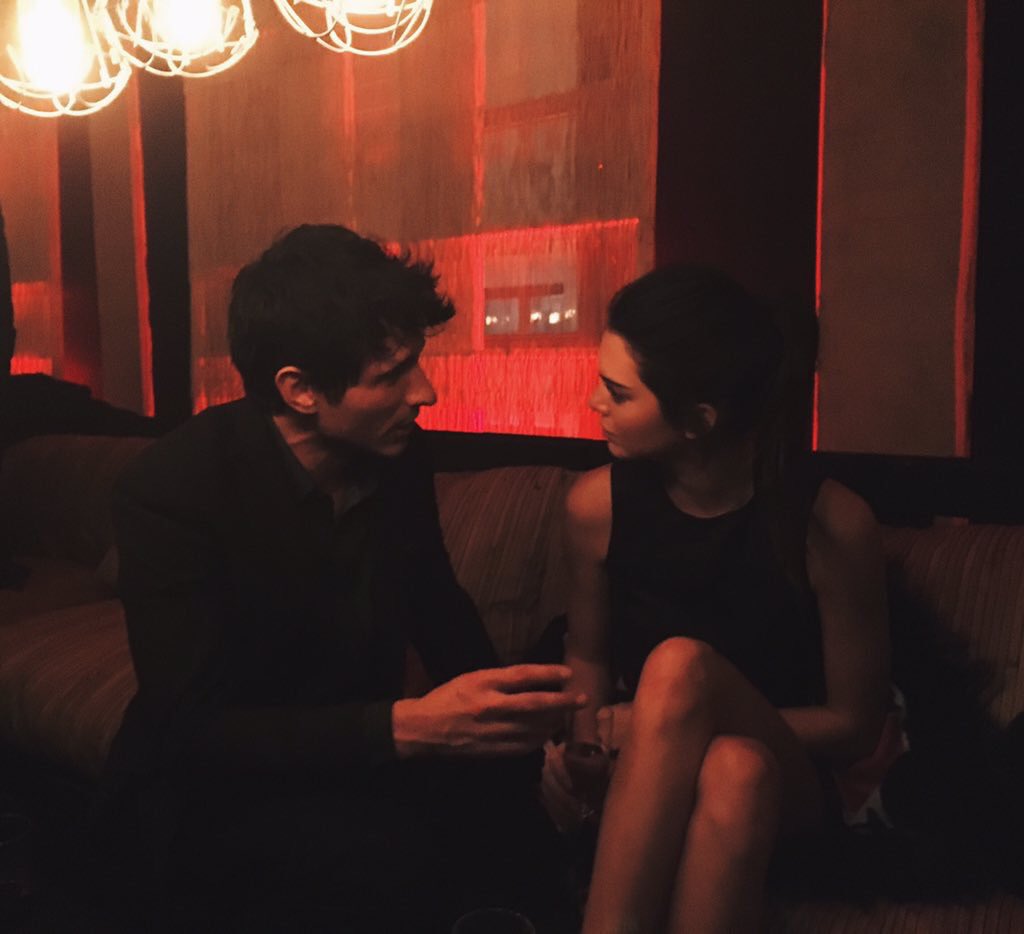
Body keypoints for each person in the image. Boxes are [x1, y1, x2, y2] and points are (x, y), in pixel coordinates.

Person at [98, 224, 583, 932]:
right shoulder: (171, 489)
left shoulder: (398, 456)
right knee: (388, 869)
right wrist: (405, 727)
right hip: (217, 787)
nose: (426, 392)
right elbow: (192, 730)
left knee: (522, 842)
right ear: (298, 390)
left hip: (357, 753)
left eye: (417, 362)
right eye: (390, 376)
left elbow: (439, 610)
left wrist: (527, 746)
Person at [541, 266, 894, 934]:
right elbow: (586, 655)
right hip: (676, 778)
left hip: (798, 783)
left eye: (619, 392)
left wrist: (668, 720)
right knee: (735, 772)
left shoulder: (829, 524)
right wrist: (583, 750)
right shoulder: (595, 506)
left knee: (681, 670)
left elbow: (855, 724)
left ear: (697, 421)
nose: (593, 402)